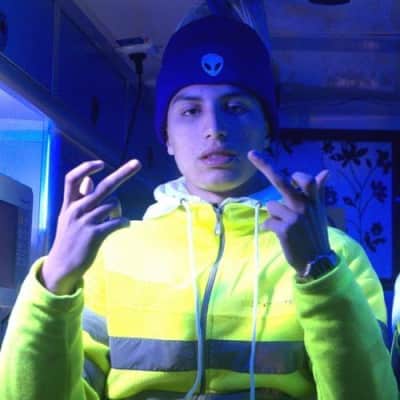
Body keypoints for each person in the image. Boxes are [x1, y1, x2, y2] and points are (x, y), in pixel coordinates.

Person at [0, 15, 397, 400]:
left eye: (236, 107)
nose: (214, 129)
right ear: (167, 137)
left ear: (267, 130)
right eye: (190, 110)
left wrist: (319, 272)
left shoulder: (337, 255)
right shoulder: (110, 253)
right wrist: (53, 282)